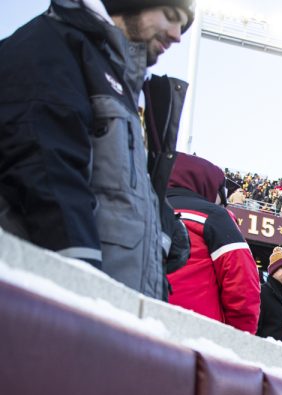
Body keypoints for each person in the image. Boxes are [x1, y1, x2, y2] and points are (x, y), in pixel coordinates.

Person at [0, 0, 195, 299]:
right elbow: (49, 178)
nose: (177, 34)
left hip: (112, 315)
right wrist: (81, 296)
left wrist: (161, 234)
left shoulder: (125, 85)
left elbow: (116, 197)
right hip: (62, 312)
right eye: (170, 17)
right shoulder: (49, 48)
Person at [166, 153, 260, 332]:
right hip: (196, 335)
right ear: (207, 184)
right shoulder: (215, 217)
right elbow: (242, 287)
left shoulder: (145, 207)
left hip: (137, 322)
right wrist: (240, 339)